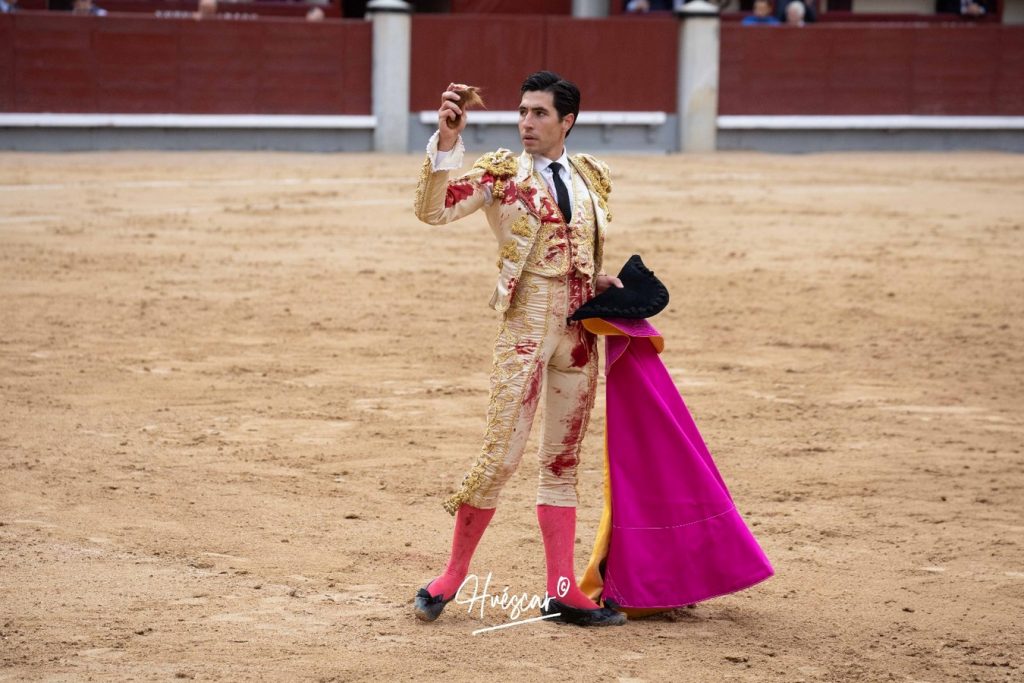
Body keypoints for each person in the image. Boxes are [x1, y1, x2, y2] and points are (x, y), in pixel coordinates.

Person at [411, 71, 627, 627]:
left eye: (540, 113)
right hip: (526, 328)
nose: (526, 122)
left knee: (562, 460)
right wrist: (448, 142)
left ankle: (562, 590)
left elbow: (582, 248)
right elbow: (433, 211)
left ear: (567, 121)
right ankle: (451, 575)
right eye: (523, 111)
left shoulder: (592, 175)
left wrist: (599, 280)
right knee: (501, 456)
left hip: (580, 333)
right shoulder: (501, 175)